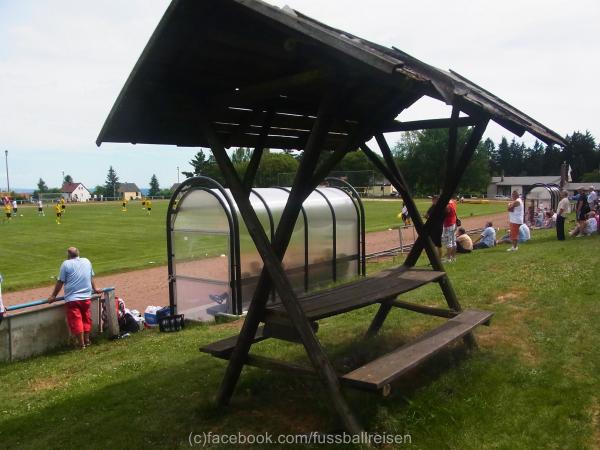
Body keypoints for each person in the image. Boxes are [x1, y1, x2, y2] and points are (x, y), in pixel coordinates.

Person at [47, 247, 102, 349]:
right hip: (86, 298)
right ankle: (87, 340)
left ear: (68, 255)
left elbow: (60, 281)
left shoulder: (66, 264)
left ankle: (81, 344)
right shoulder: (86, 261)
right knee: (86, 318)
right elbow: (90, 277)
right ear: (78, 253)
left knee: (76, 320)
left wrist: (53, 296)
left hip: (73, 299)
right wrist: (95, 288)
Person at [441, 198, 458, 262]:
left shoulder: (448, 205)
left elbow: (446, 212)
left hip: (448, 224)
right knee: (453, 242)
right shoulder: (453, 202)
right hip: (453, 223)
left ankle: (449, 259)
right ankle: (453, 257)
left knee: (449, 242)